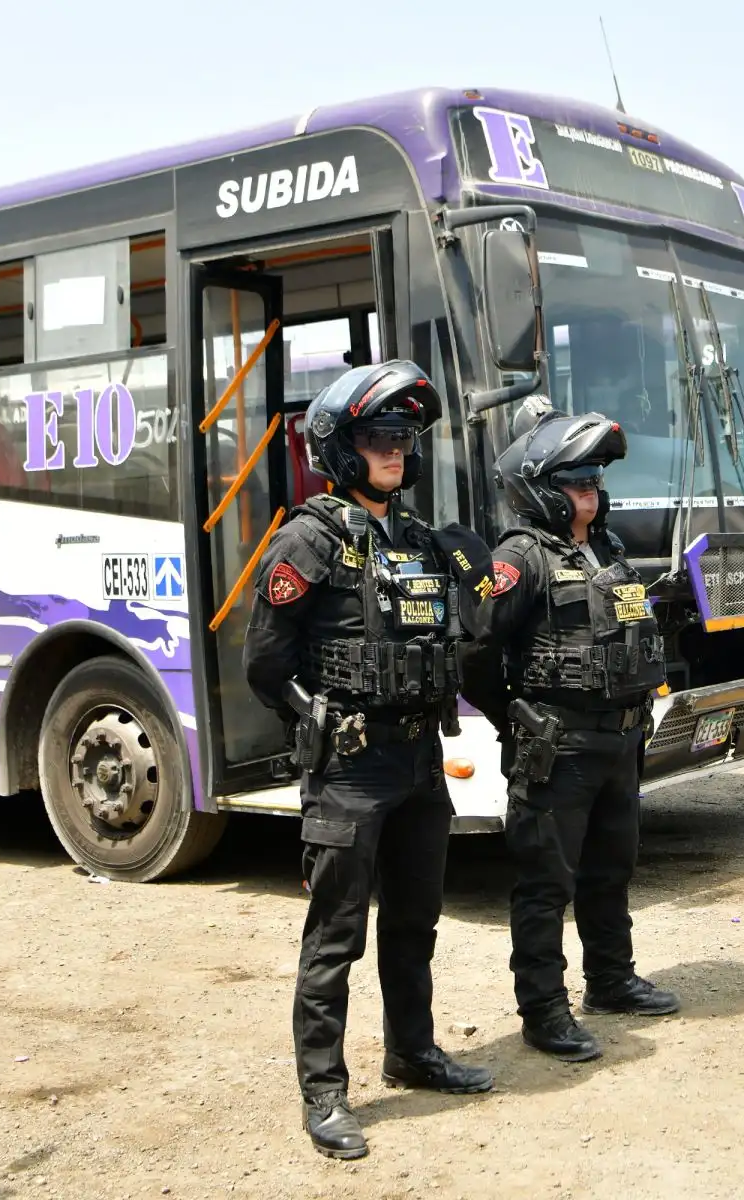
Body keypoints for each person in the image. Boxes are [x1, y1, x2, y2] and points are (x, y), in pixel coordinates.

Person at [242, 360, 493, 1160]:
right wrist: (314, 719)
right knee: (336, 938)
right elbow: (264, 665)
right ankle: (324, 1092)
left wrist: (479, 581)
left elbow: (467, 633)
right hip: (350, 771)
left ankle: (412, 1053)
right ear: (340, 448)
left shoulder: (419, 541)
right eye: (380, 436)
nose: (395, 450)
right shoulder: (307, 540)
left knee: (414, 923)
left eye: (404, 438)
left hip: (419, 762)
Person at [476, 402, 680, 1063]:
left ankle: (611, 981)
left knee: (610, 870)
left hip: (619, 740)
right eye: (576, 482)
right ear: (542, 488)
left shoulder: (609, 550)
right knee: (546, 885)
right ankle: (543, 1012)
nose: (590, 492)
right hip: (557, 748)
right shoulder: (519, 558)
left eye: (595, 480)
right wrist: (514, 715)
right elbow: (472, 648)